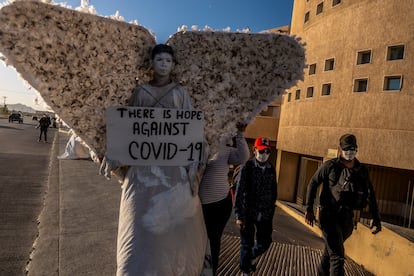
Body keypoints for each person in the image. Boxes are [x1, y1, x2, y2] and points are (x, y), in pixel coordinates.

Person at [100, 44, 208, 276]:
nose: (163, 65)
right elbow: (128, 130)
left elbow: (191, 133)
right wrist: (113, 154)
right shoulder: (141, 92)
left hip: (175, 175)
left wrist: (194, 169)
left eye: (168, 61)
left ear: (173, 65)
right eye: (159, 60)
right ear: (152, 63)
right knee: (138, 230)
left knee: (176, 234)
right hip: (142, 174)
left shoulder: (180, 93)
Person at [304, 134, 382, 276]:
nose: (350, 152)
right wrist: (309, 208)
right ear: (340, 149)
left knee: (330, 252)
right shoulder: (330, 166)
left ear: (357, 149)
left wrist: (376, 217)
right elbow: (313, 183)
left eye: (353, 149)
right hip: (328, 216)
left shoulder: (362, 170)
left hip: (346, 219)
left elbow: (370, 193)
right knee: (337, 257)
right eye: (347, 149)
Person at [199, 123, 249, 275]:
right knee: (195, 242)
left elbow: (242, 157)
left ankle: (209, 272)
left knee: (212, 242)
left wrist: (240, 134)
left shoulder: (224, 141)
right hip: (195, 204)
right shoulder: (193, 138)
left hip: (219, 203)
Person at [234, 137, 277, 276]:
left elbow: (273, 191)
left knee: (265, 242)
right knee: (246, 243)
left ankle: (249, 258)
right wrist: (239, 215)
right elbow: (239, 191)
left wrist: (271, 211)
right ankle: (245, 271)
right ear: (254, 150)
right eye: (261, 150)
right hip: (248, 213)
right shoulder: (247, 167)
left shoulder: (271, 168)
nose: (264, 153)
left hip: (264, 214)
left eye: (267, 151)